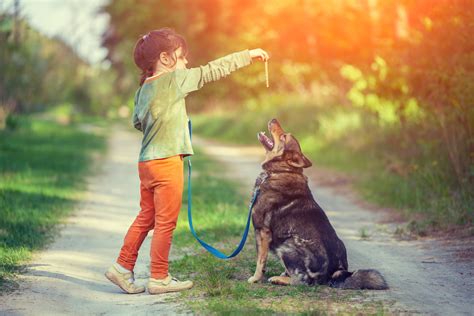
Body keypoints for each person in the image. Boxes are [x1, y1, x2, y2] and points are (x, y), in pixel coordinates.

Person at [105, 27, 269, 295]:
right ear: (166, 59)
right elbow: (212, 70)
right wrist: (248, 55)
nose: (186, 63)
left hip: (146, 162)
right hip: (167, 162)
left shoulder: (142, 90)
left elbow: (137, 122)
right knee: (166, 222)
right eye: (182, 58)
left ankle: (122, 267)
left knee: (146, 217)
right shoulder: (174, 80)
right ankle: (159, 277)